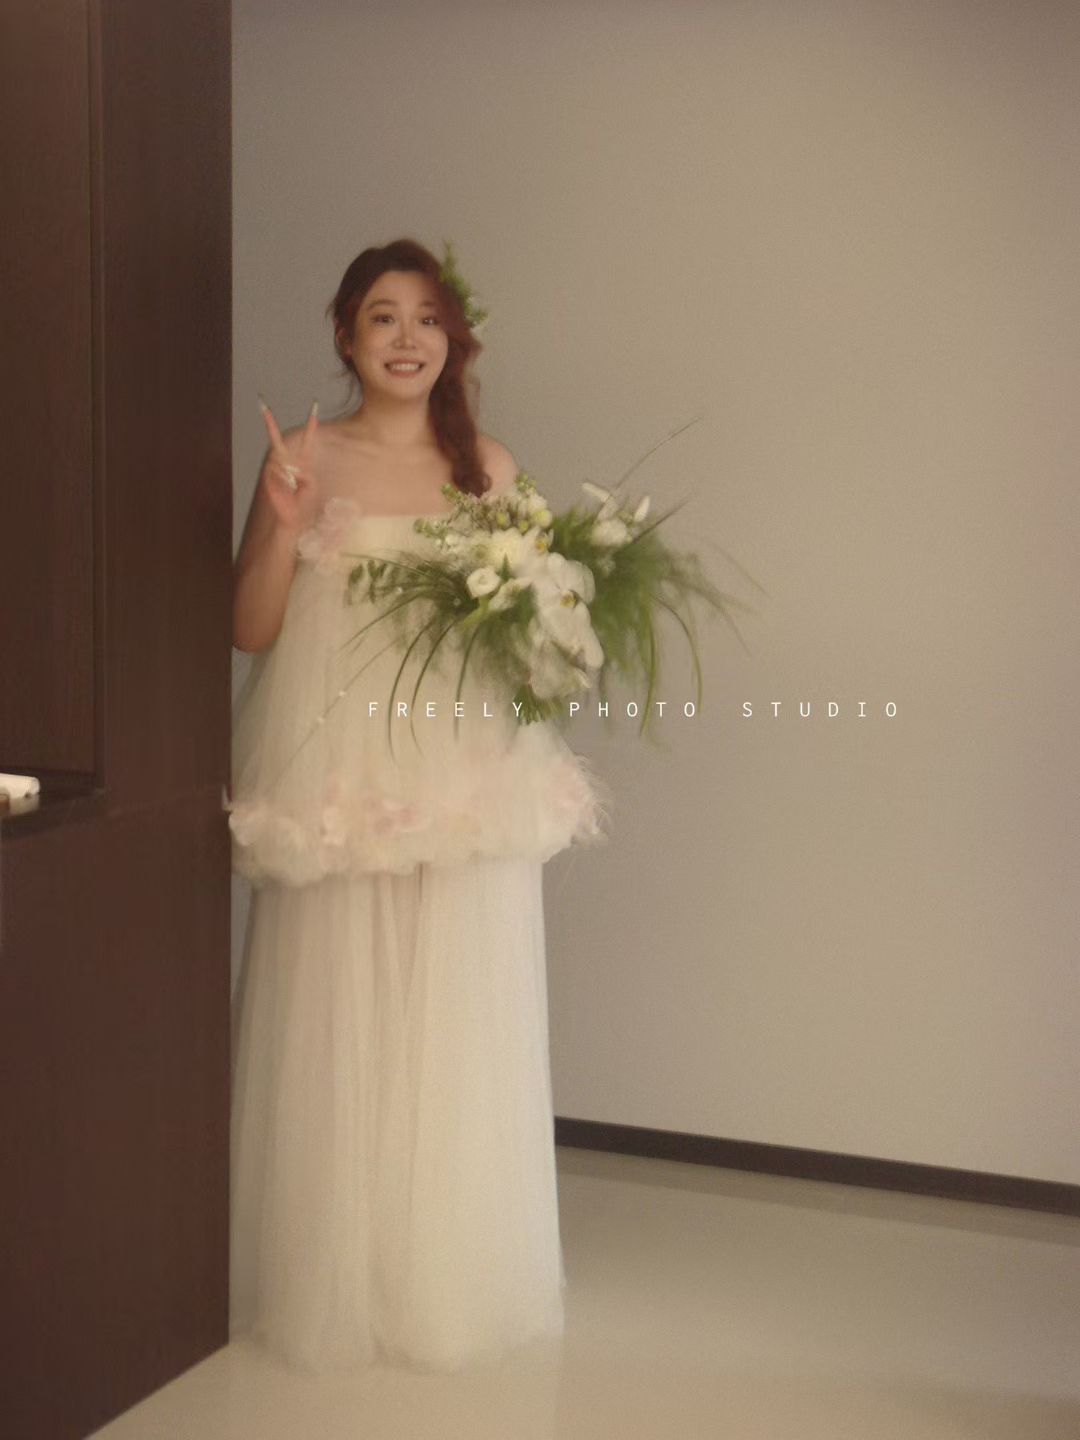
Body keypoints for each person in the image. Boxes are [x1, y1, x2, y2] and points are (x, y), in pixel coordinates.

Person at [227, 239, 607, 1374]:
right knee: (338, 1014)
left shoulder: (486, 466)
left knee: (454, 1015)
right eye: (383, 316)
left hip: (460, 771)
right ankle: (334, 1275)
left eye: (428, 318)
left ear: (455, 342)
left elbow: (537, 627)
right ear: (347, 336)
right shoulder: (304, 454)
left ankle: (442, 1277)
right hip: (343, 774)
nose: (407, 338)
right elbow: (250, 629)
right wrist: (282, 518)